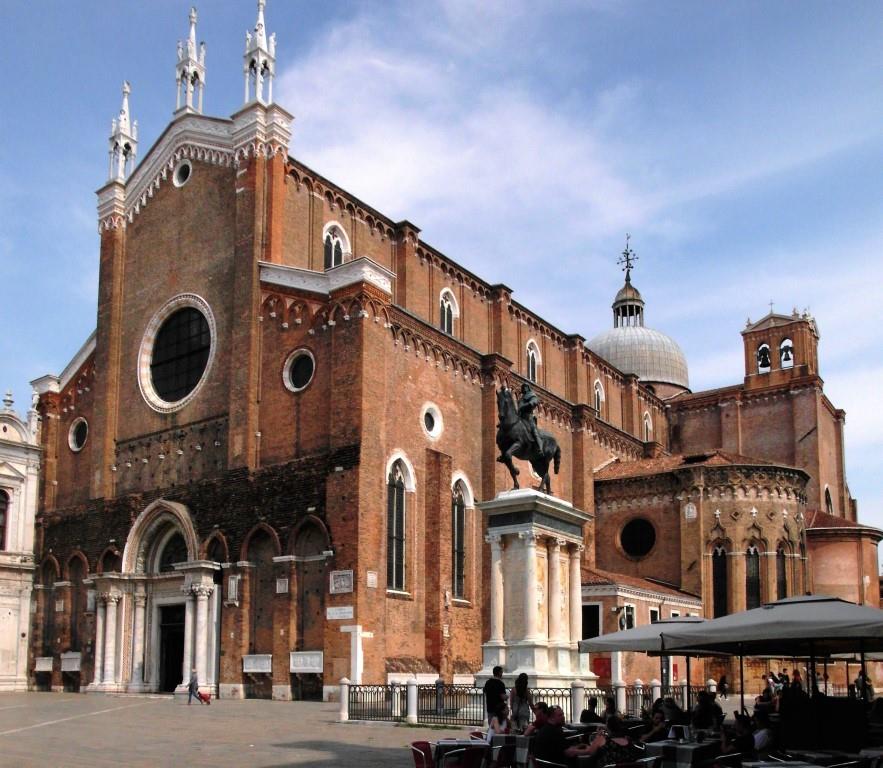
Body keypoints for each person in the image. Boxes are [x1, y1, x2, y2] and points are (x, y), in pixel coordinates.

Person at [517, 383, 544, 454]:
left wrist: (528, 404)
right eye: (523, 387)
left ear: (528, 388)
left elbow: (534, 401)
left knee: (534, 431)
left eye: (525, 387)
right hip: (520, 416)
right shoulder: (521, 398)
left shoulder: (531, 395)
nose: (524, 388)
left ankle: (540, 447)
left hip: (528, 416)